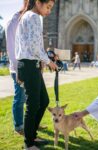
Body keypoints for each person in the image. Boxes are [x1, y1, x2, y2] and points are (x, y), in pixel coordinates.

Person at [15, 0, 57, 149]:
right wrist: (49, 62)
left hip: (31, 64)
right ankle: (29, 143)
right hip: (29, 65)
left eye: (51, 8)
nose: (49, 11)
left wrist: (47, 58)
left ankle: (32, 135)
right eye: (48, 7)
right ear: (38, 3)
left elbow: (36, 46)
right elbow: (34, 47)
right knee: (32, 105)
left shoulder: (29, 16)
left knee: (43, 101)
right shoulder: (32, 17)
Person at [5, 0, 28, 135]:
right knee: (19, 98)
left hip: (27, 68)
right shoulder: (13, 22)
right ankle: (19, 126)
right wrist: (18, 71)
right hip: (18, 69)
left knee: (28, 98)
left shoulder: (26, 21)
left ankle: (28, 122)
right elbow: (12, 50)